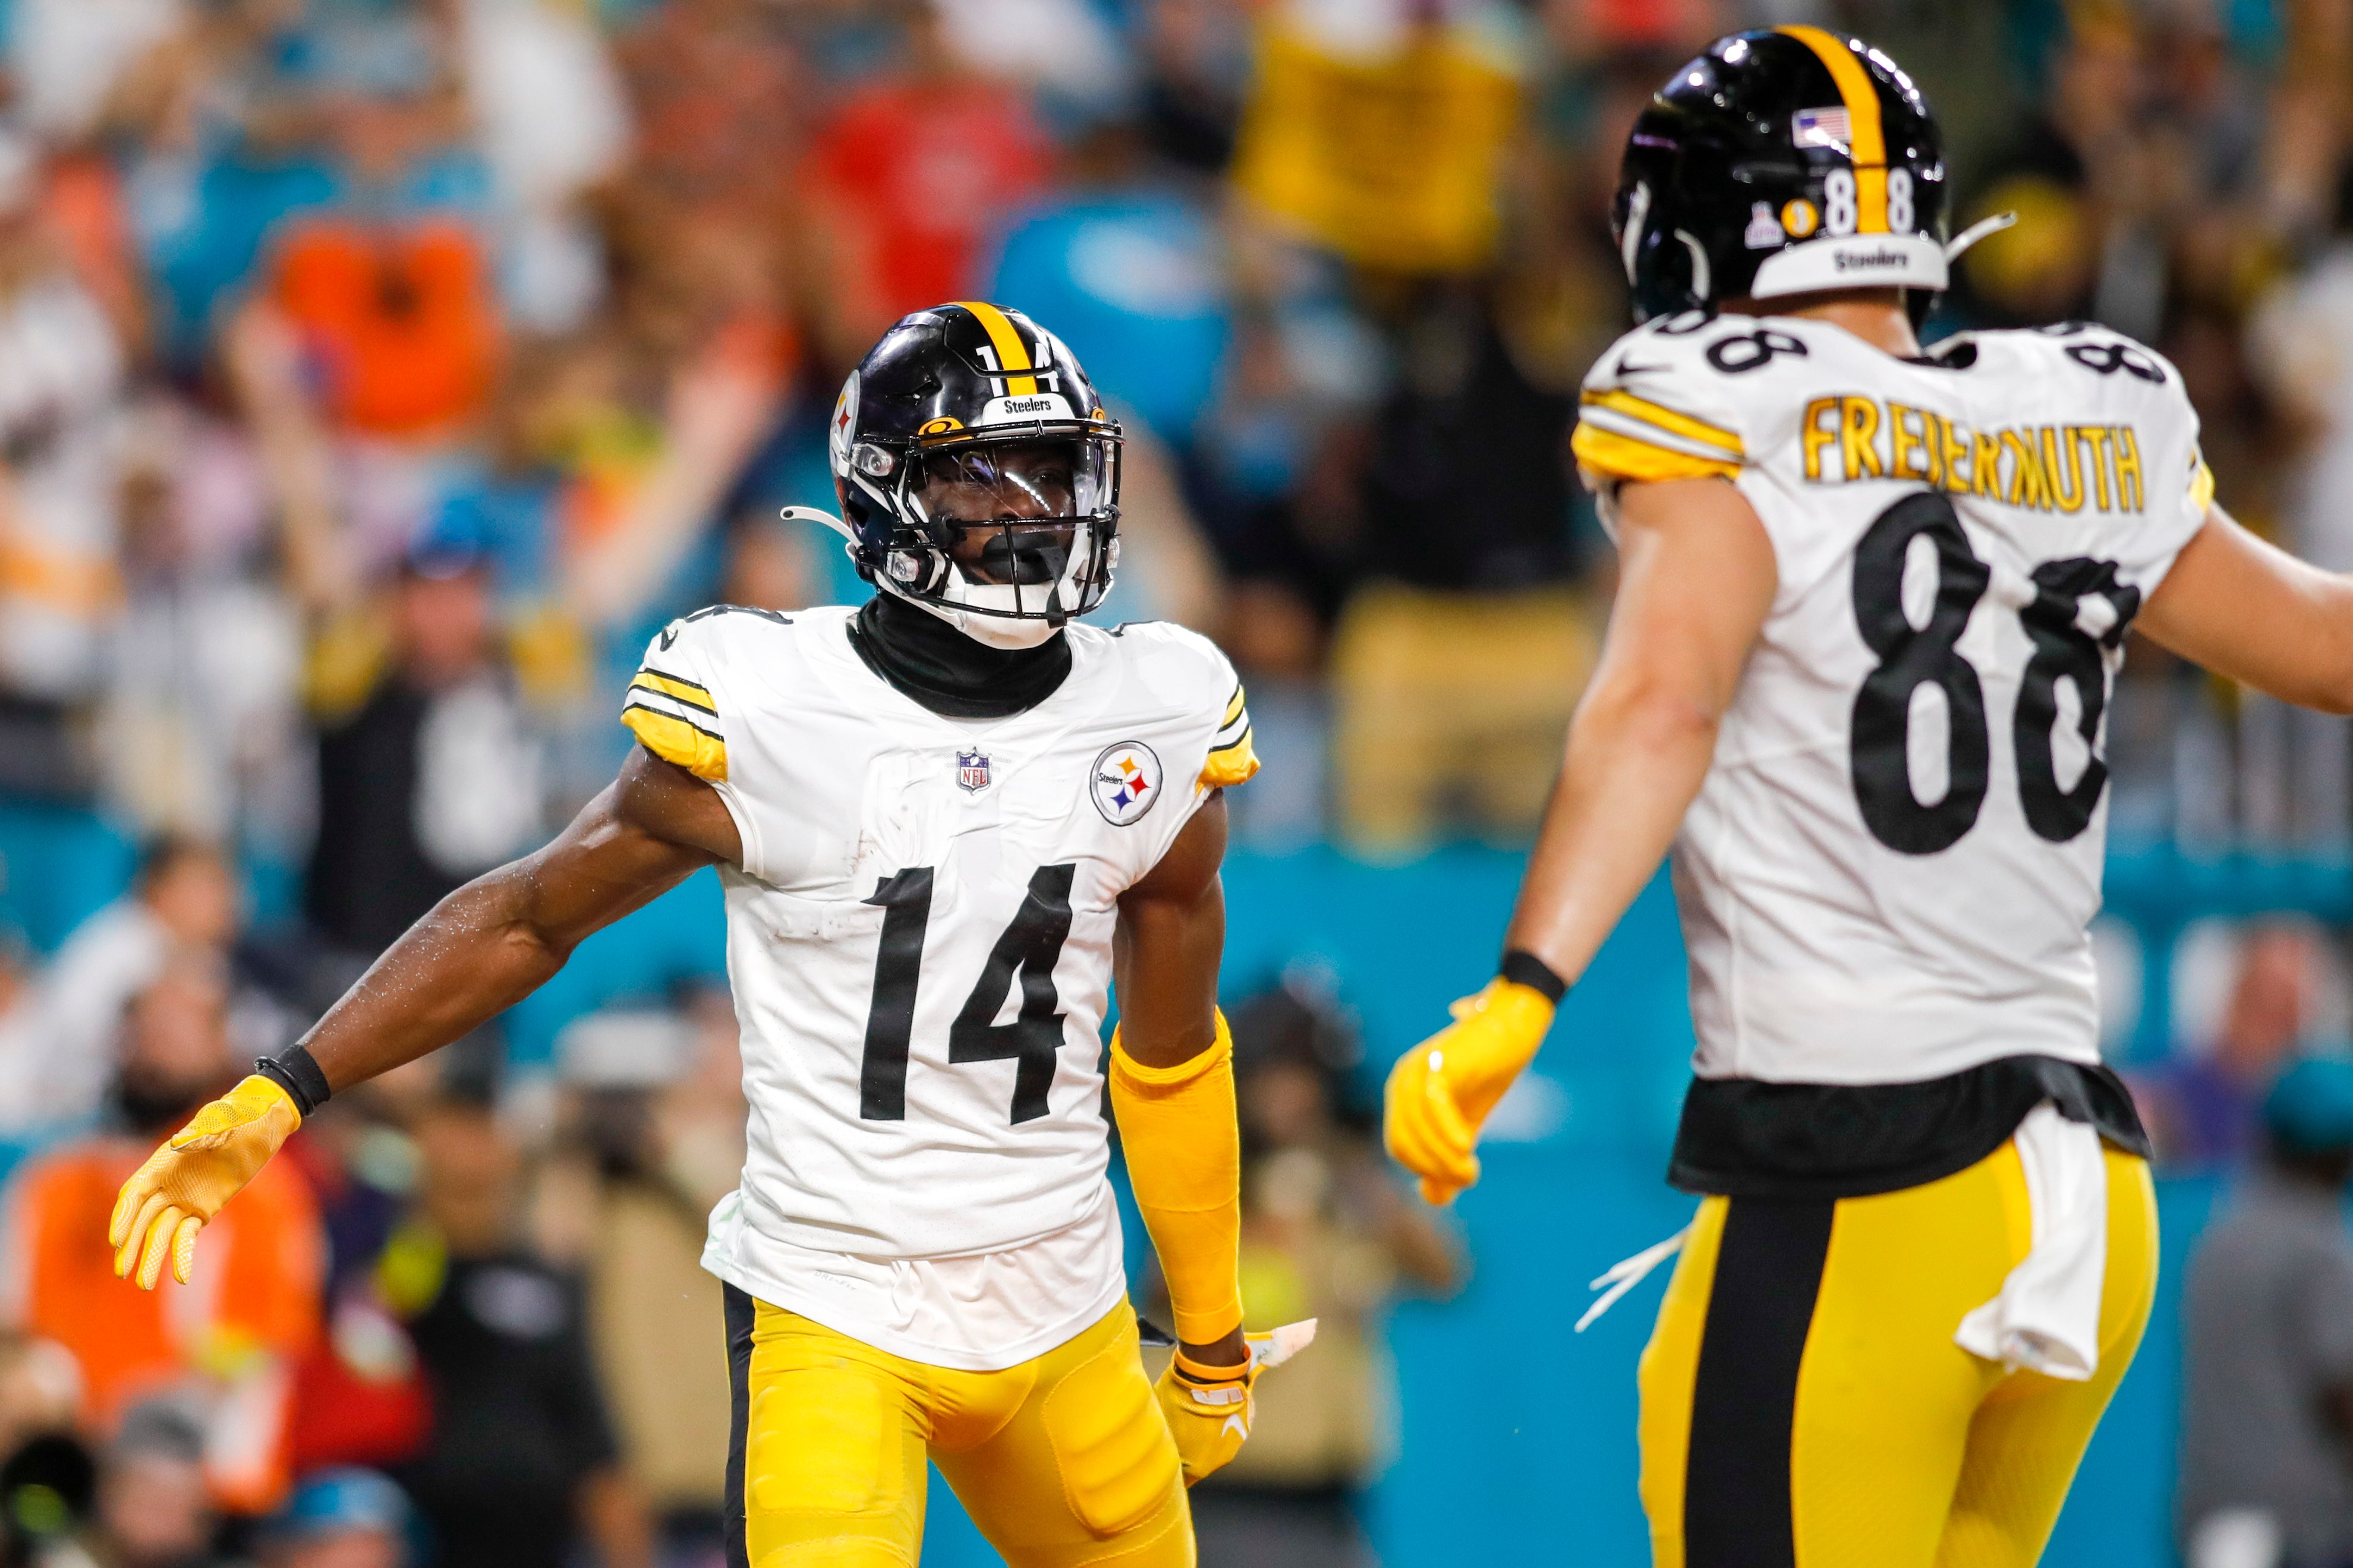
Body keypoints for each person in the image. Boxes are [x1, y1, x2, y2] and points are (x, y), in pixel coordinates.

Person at [105, 302, 1310, 1567]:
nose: (1031, 508)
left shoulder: (1154, 715)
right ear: (883, 491)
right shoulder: (774, 703)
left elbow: (1171, 1051)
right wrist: (286, 1086)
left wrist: (1213, 1327)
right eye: (979, 471)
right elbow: (525, 915)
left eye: (1054, 468)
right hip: (835, 1307)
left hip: (1062, 1304)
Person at [1378, 27, 2353, 1568]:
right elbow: (2320, 640)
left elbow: (1658, 700)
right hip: (2079, 1188)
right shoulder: (2077, 402)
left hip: (1854, 1168)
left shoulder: (1712, 391)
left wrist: (1521, 986)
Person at [2179, 1058, 2353, 1568]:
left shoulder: (2219, 1237)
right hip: (2300, 1531)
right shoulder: (2317, 1244)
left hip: (2214, 1519)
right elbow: (2341, 1392)